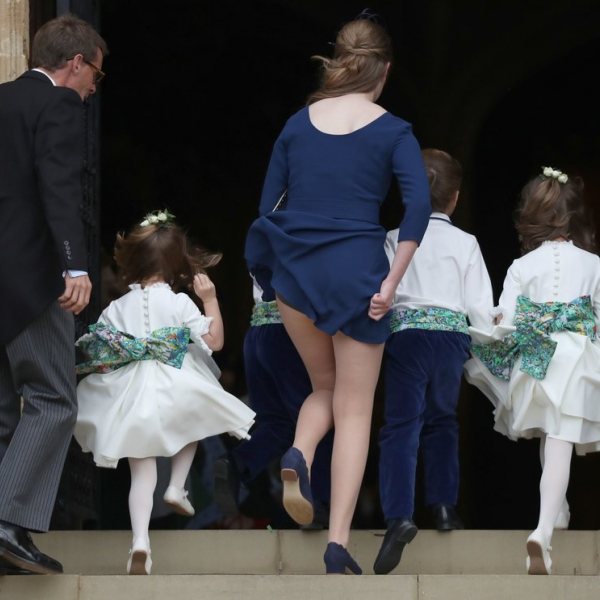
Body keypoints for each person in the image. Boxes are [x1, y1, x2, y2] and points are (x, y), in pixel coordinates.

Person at [245, 12, 430, 574]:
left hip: (297, 272)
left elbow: (267, 206)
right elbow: (417, 206)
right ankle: (337, 544)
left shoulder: (297, 124)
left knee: (322, 385)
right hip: (357, 272)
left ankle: (300, 450)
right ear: (385, 69)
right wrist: (392, 282)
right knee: (355, 408)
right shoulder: (394, 129)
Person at [73, 211, 256, 575]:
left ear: (129, 263)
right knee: (192, 422)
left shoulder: (115, 307)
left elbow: (101, 351)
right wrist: (210, 299)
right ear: (175, 265)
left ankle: (140, 541)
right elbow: (215, 342)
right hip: (175, 384)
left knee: (141, 475)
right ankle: (176, 486)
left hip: (132, 394)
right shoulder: (179, 303)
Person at [0, 14, 107, 575]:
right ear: (76, 62)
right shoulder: (60, 105)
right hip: (33, 277)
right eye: (97, 73)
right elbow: (58, 185)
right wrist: (76, 265)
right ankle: (5, 521)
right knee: (53, 399)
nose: (94, 86)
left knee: (1, 415)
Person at [464, 167, 600, 575]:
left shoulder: (523, 266)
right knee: (559, 436)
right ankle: (543, 531)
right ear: (572, 214)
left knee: (551, 434)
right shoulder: (593, 263)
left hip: (537, 356)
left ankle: (557, 512)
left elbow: (502, 319)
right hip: (575, 357)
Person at [374, 149, 494, 574]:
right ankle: (443, 506)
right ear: (456, 198)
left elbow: (381, 296)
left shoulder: (392, 239)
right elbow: (481, 307)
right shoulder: (466, 243)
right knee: (443, 420)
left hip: (407, 337)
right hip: (450, 338)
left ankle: (399, 515)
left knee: (401, 425)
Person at [214, 278, 333, 529]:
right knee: (316, 420)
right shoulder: (299, 238)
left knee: (276, 423)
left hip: (257, 331)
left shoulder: (261, 238)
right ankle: (316, 502)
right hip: (292, 332)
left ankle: (237, 463)